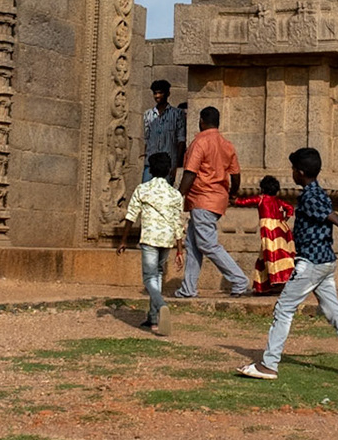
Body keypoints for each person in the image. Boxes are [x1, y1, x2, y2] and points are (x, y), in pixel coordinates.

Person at [237, 147, 338, 383]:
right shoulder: (318, 193)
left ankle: (269, 364)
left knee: (284, 309)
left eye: (293, 170)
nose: (292, 174)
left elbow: (336, 219)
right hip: (325, 262)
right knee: (335, 313)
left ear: (299, 172)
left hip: (312, 263)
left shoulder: (310, 197)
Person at [174, 106, 252, 298]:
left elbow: (190, 172)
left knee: (208, 244)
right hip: (216, 199)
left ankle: (239, 280)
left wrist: (176, 197)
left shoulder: (199, 143)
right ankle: (188, 288)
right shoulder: (226, 144)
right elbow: (236, 175)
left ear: (201, 121)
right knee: (192, 245)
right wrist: (232, 194)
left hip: (203, 199)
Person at [119, 151, 186, 335]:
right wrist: (179, 250)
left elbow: (131, 216)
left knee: (149, 278)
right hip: (166, 240)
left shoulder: (142, 189)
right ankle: (154, 319)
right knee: (156, 275)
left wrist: (124, 240)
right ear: (168, 171)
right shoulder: (175, 195)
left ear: (151, 169)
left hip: (149, 238)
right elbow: (177, 222)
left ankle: (161, 305)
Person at [231, 174, 297, 295]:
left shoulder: (261, 199)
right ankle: (268, 284)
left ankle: (276, 282)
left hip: (269, 232)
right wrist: (284, 220)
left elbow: (245, 202)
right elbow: (290, 209)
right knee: (278, 255)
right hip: (282, 230)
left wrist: (234, 200)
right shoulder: (279, 201)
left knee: (270, 256)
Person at [144, 80, 187, 185]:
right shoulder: (148, 115)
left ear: (168, 94)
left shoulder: (177, 114)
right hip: (150, 164)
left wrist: (175, 165)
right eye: (155, 93)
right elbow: (146, 139)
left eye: (160, 93)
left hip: (168, 165)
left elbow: (181, 140)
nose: (157, 96)